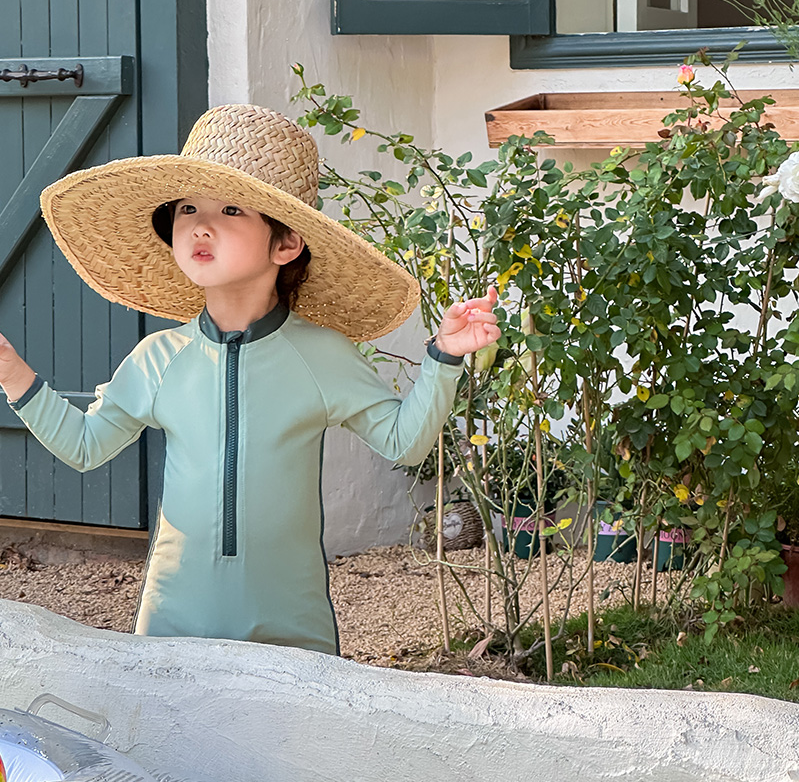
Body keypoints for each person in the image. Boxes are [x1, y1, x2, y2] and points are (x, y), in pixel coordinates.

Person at [0, 105, 499, 655]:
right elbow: (85, 446)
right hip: (172, 620)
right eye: (187, 207)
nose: (200, 225)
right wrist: (13, 373)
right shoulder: (158, 358)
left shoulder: (322, 356)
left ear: (285, 244)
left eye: (231, 208)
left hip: (291, 625)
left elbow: (405, 441)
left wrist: (443, 357)